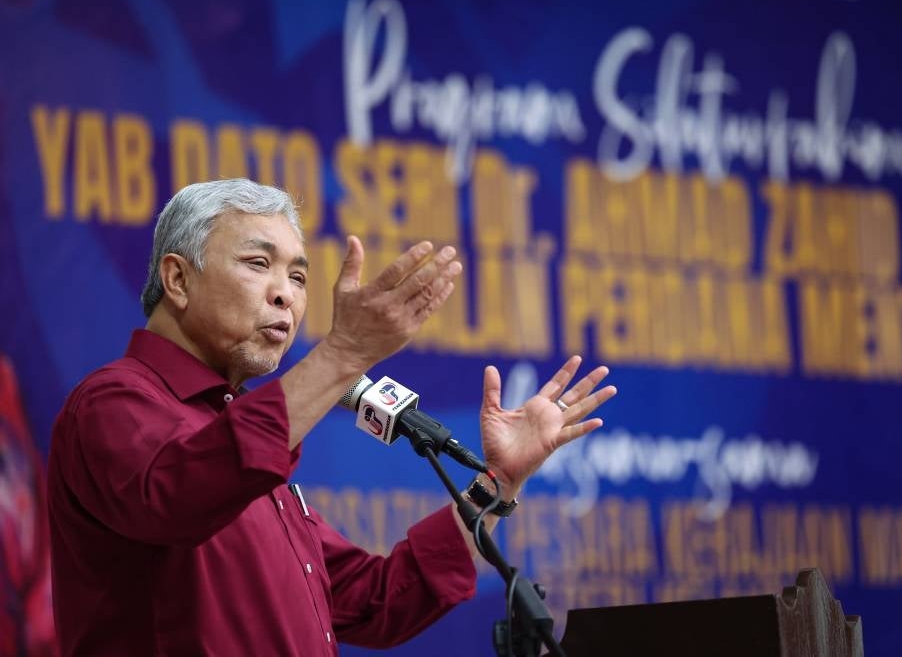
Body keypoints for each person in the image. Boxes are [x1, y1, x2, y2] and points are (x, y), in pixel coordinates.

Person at [47, 178, 615, 655]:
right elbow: (180, 496)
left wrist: (499, 482)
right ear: (178, 279)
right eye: (257, 264)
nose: (286, 297)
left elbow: (376, 600)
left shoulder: (244, 440)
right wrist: (342, 355)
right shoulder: (112, 404)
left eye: (297, 277)